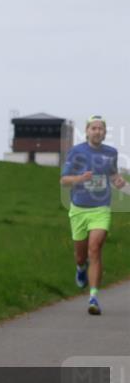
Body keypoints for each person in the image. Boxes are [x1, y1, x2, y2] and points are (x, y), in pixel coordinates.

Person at [60, 115, 126, 315]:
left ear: (105, 132)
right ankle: (80, 268)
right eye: (94, 128)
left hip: (101, 209)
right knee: (81, 256)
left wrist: (119, 182)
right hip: (79, 209)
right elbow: (64, 180)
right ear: (87, 131)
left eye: (101, 128)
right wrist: (80, 178)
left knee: (95, 249)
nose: (97, 131)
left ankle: (93, 297)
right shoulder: (76, 152)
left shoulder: (111, 153)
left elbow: (113, 176)